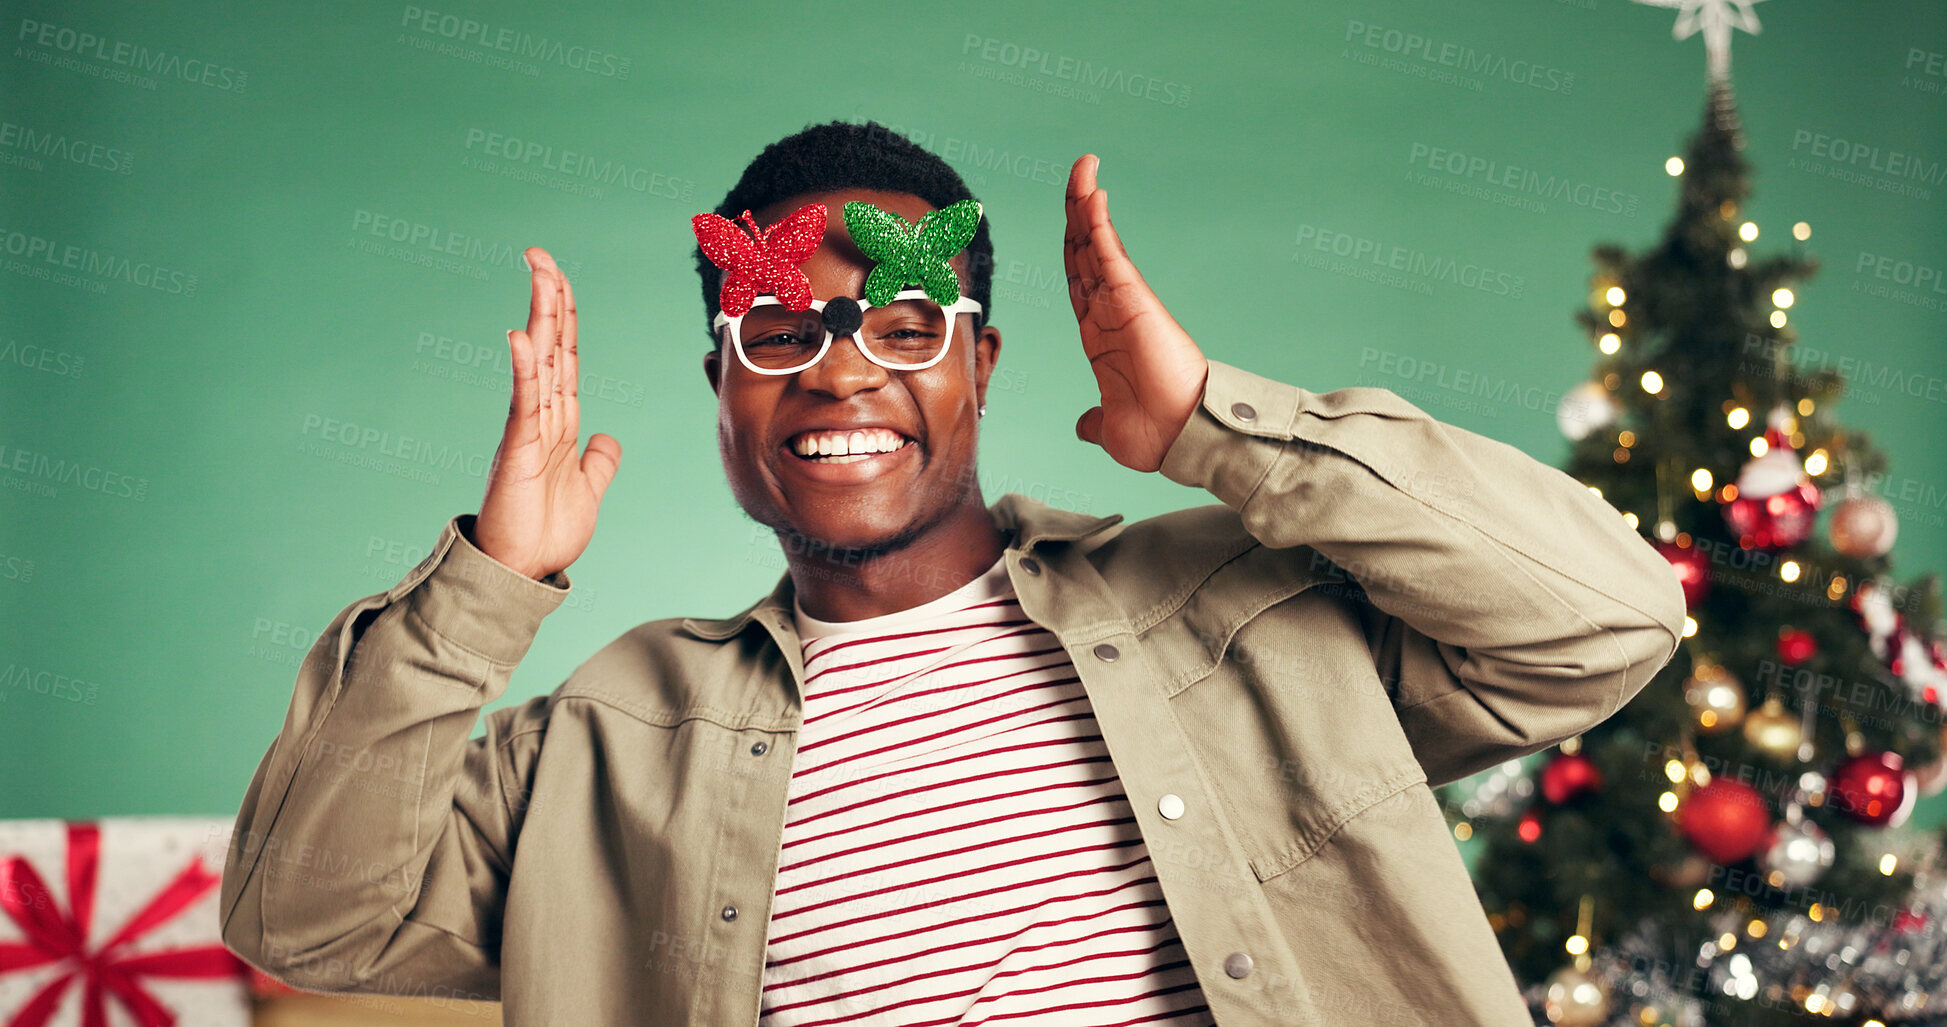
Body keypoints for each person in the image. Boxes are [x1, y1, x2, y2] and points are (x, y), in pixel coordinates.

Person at [219, 121, 1687, 1026]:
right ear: (723, 392)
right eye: (782, 335)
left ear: (980, 364)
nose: (840, 370)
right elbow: (307, 917)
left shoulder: (1248, 610)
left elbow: (1609, 619)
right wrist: (487, 584)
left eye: (905, 328)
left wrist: (1213, 430)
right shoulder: (610, 737)